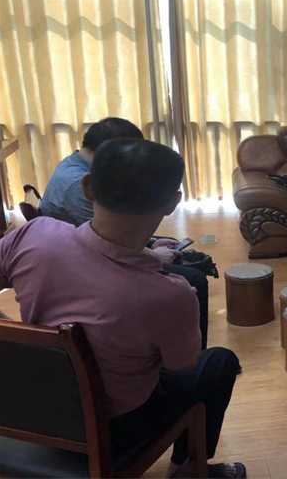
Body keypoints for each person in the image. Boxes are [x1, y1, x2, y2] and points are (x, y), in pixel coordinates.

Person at [0, 139, 244, 479]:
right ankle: (186, 470)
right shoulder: (171, 295)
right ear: (173, 203)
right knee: (219, 362)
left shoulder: (33, 235)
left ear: (88, 188)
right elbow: (181, 365)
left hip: (27, 408)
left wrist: (29, 344)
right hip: (112, 430)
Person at [40, 117, 211, 348]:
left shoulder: (76, 166)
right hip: (92, 266)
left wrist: (150, 244)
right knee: (193, 279)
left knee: (172, 252)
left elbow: (108, 231)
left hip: (87, 254)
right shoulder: (75, 183)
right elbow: (106, 243)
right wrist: (153, 256)